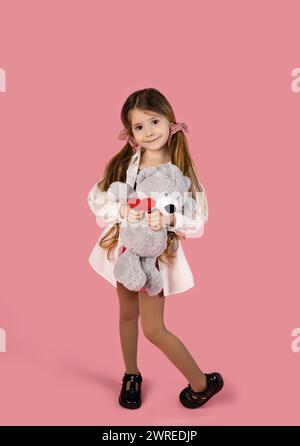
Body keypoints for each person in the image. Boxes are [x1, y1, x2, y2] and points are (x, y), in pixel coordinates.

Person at [87, 88, 223, 410]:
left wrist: (168, 217)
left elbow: (198, 218)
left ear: (169, 120)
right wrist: (123, 211)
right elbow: (97, 198)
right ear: (130, 133)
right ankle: (131, 374)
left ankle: (201, 383)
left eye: (154, 122)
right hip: (124, 250)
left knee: (153, 328)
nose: (148, 132)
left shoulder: (180, 168)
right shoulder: (126, 164)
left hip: (156, 257)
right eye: (139, 127)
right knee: (126, 314)